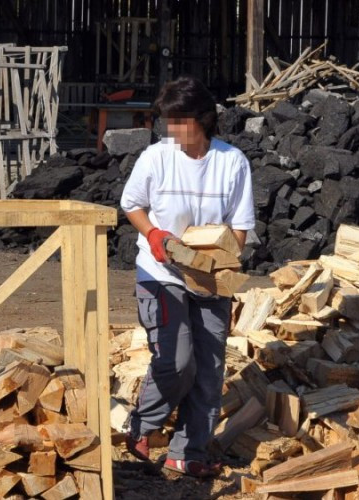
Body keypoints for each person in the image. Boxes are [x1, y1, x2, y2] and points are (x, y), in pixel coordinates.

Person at [119, 76, 255, 477]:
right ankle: (142, 425)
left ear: (205, 119)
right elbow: (132, 204)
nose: (171, 129)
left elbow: (241, 226)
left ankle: (188, 452)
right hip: (161, 270)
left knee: (209, 370)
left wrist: (223, 261)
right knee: (177, 362)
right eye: (167, 121)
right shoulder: (156, 158)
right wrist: (154, 234)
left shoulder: (232, 162)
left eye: (180, 121)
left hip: (212, 278)